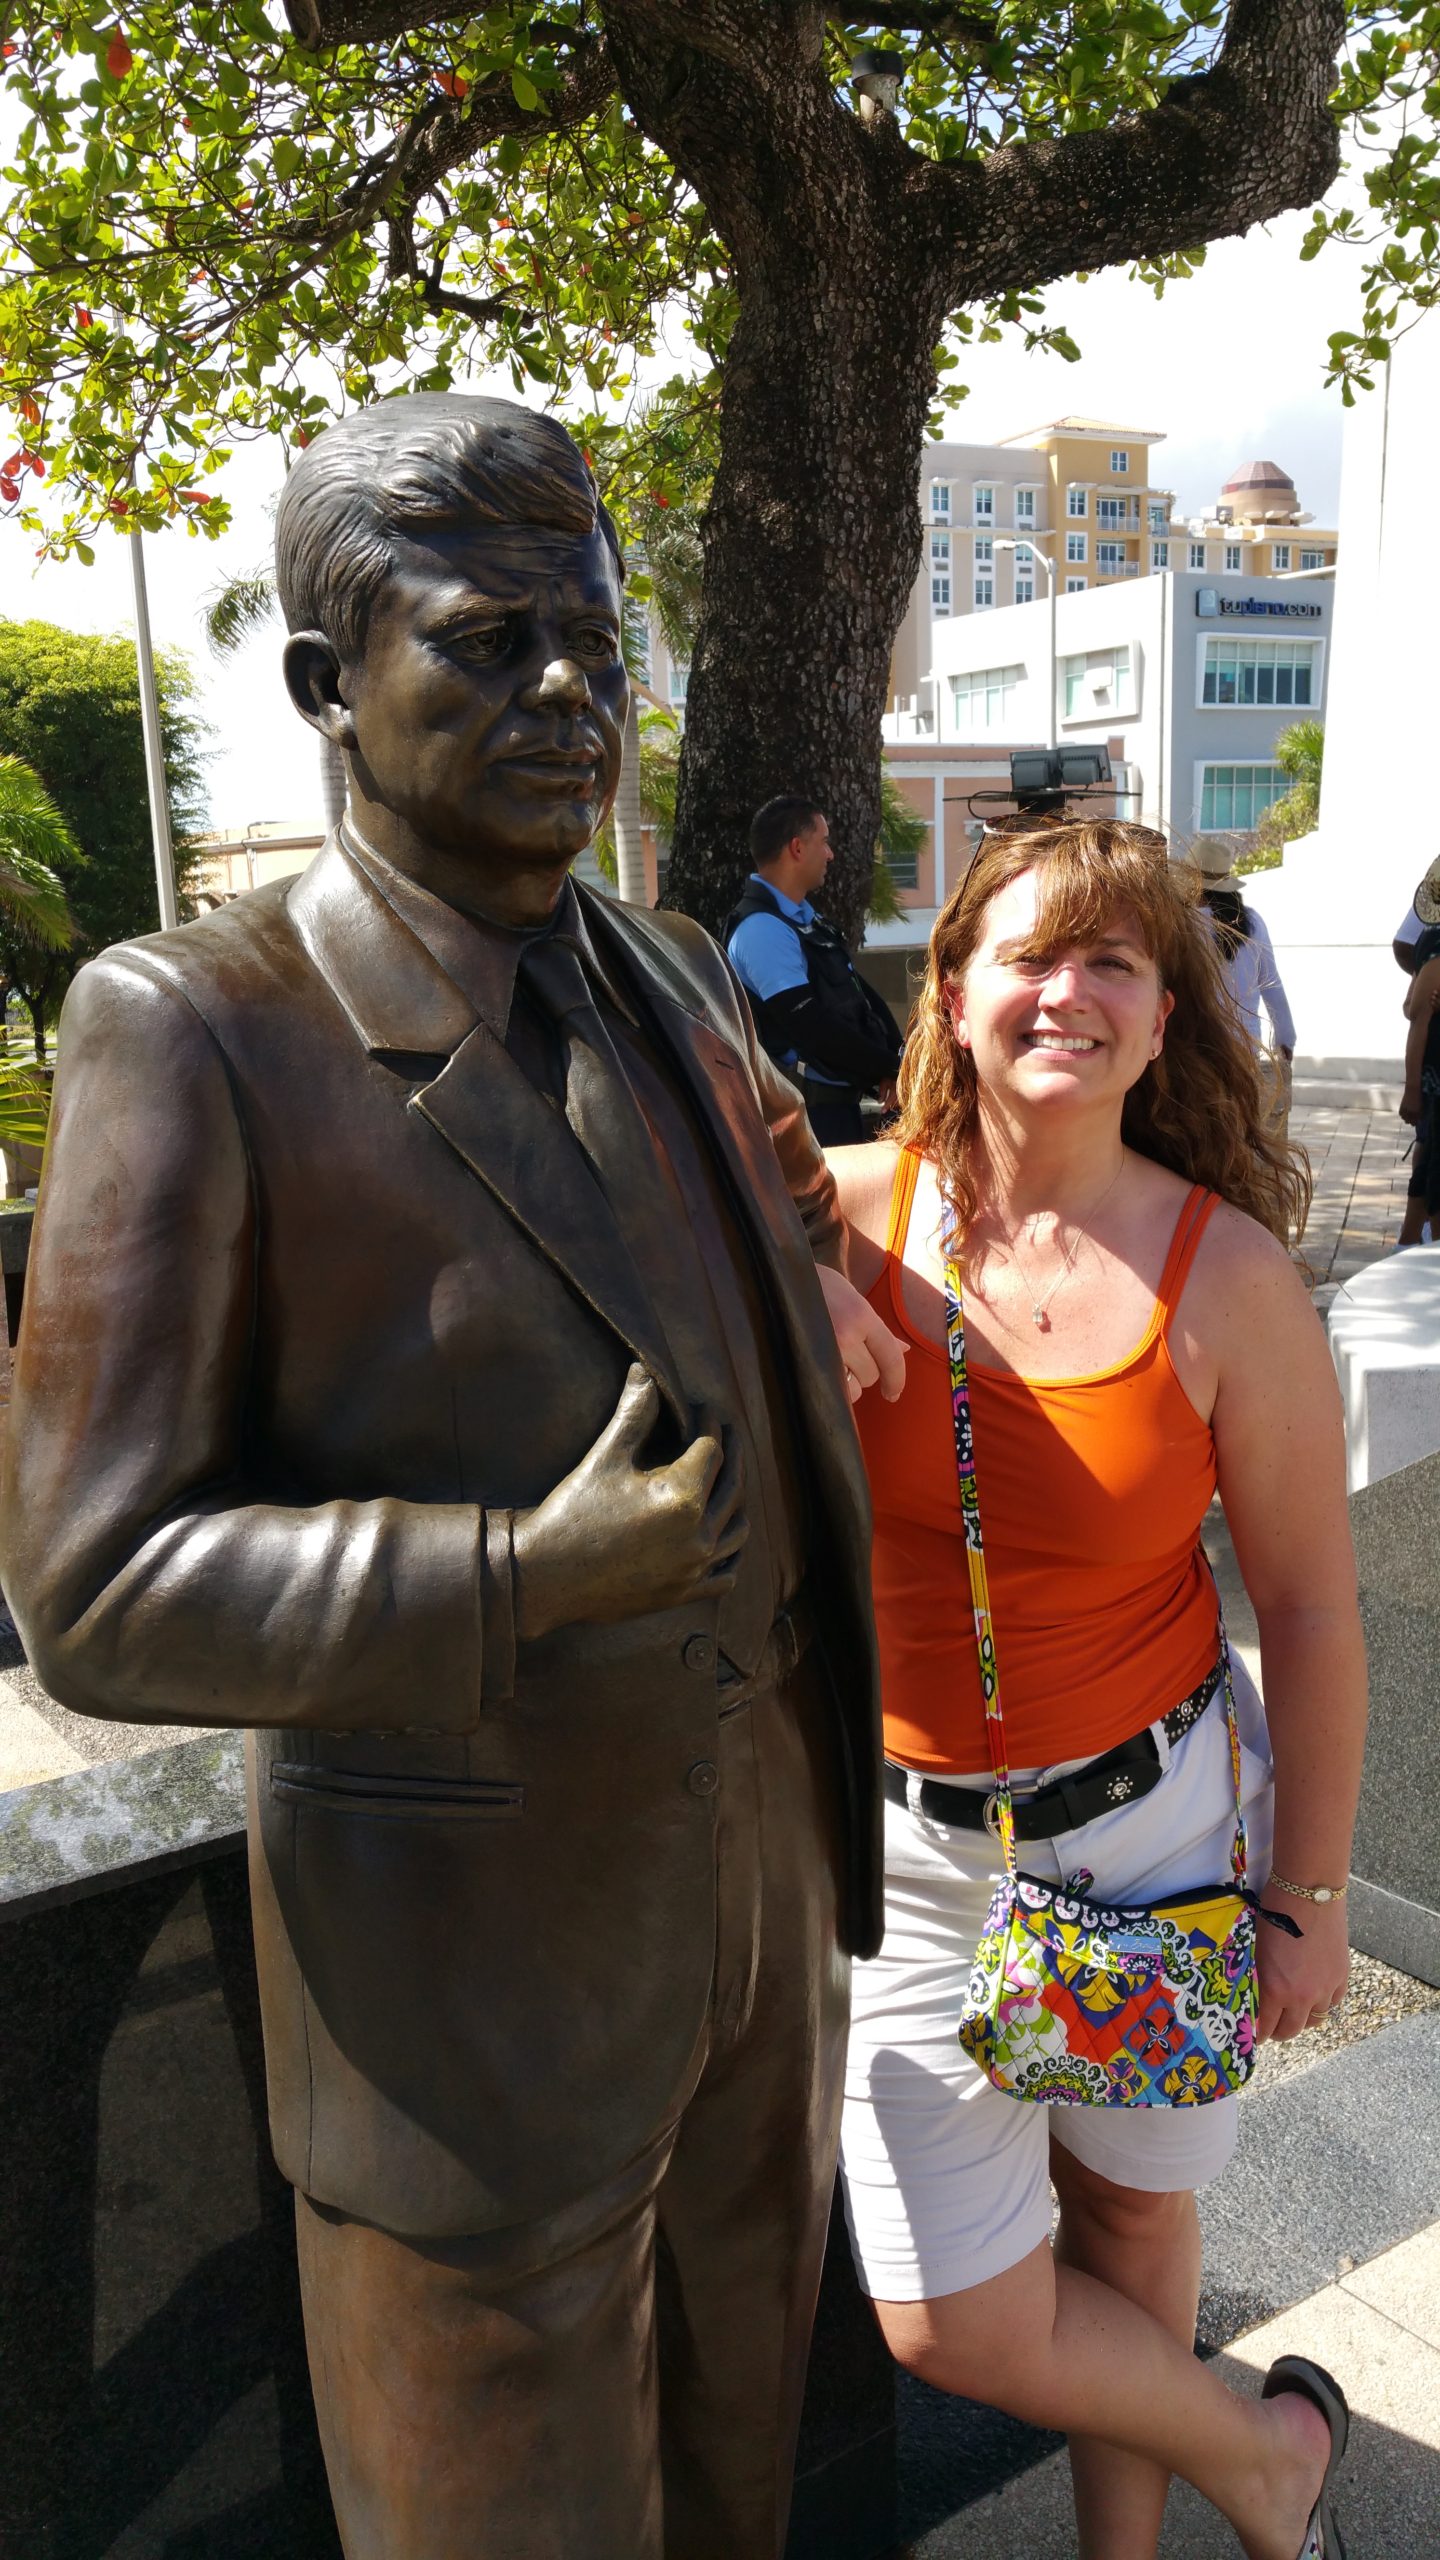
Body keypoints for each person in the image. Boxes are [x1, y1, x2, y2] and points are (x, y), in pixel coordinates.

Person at [0, 394, 888, 2560]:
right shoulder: (195, 1021)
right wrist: (518, 1569)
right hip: (465, 2021)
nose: (573, 691)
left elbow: (747, 1276)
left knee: (740, 2491)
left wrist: (813, 1233)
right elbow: (95, 1584)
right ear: (329, 687)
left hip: (766, 1934)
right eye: (491, 644)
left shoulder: (679, 968)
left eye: (594, 639)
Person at [822, 817, 1366, 2560]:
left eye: (1114, 963)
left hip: (1153, 1845)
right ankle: (1261, 2449)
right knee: (950, 2321)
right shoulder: (844, 1211)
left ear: (1162, 1017)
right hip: (908, 1858)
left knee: (1133, 2235)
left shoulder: (1234, 1278)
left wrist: (1313, 1896)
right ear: (955, 988)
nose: (1069, 993)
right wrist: (775, 1268)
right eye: (1030, 956)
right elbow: (623, 1158)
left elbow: (1311, 1607)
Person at [725, 794, 903, 1144]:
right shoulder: (761, 930)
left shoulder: (805, 920)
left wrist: (897, 1062)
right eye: (823, 841)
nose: (830, 853)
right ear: (796, 848)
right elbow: (811, 1028)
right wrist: (887, 1067)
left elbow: (859, 994)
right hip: (810, 1123)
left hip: (841, 1111)